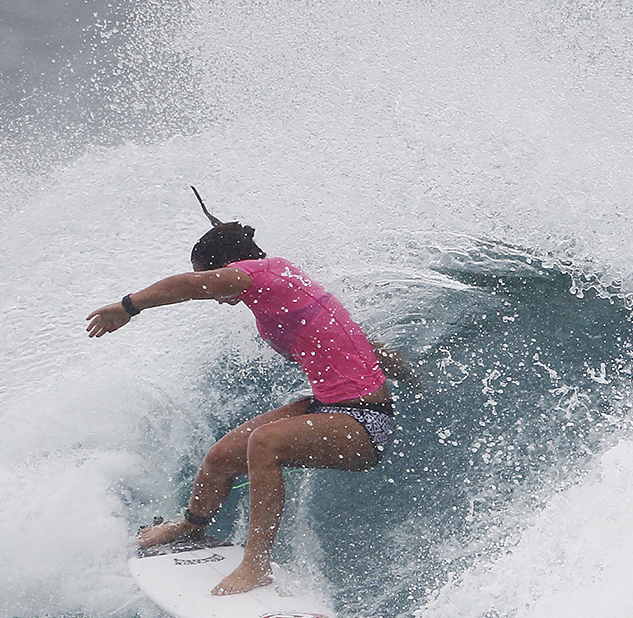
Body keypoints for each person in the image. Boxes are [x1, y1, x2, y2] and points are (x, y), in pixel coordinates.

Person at [85, 194, 400, 597]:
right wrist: (401, 370)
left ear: (226, 269)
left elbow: (187, 287)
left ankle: (256, 567)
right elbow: (346, 334)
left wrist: (129, 307)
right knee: (220, 458)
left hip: (364, 422)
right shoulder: (279, 280)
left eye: (211, 279)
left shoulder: (257, 275)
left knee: (263, 445)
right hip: (329, 405)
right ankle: (191, 527)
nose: (216, 296)